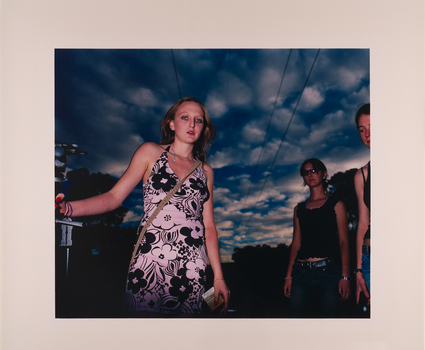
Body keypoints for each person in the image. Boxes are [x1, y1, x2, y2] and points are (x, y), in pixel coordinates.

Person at [55, 96, 230, 316]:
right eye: (185, 117)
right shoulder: (150, 152)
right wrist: (69, 209)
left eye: (199, 120)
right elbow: (113, 197)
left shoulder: (205, 172)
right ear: (172, 124)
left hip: (192, 268)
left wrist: (218, 277)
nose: (192, 124)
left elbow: (209, 227)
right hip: (150, 262)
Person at [283, 158, 351, 317]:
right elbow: (296, 243)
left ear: (324, 173)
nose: (309, 175)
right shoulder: (298, 209)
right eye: (305, 173)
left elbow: (344, 241)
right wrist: (288, 275)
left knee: (330, 321)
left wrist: (345, 276)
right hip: (301, 274)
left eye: (313, 170)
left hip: (328, 274)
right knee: (297, 321)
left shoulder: (336, 204)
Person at [353, 103, 371, 307]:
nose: (367, 134)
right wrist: (358, 270)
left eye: (372, 126)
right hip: (370, 260)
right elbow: (363, 223)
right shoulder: (362, 175)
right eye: (362, 129)